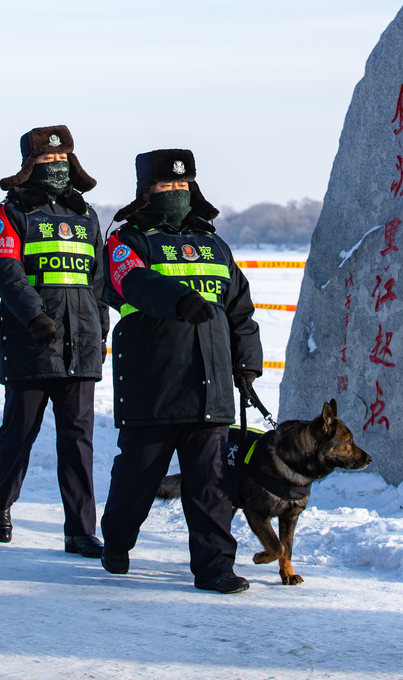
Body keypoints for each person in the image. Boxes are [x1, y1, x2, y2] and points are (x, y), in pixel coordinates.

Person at [100, 148, 263, 594]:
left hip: (211, 386)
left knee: (211, 485)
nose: (175, 192)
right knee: (138, 477)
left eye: (182, 184)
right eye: (165, 185)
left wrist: (246, 363)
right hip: (152, 384)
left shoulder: (214, 245)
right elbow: (130, 281)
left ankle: (215, 568)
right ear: (145, 191)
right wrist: (178, 300)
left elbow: (240, 311)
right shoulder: (126, 241)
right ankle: (116, 539)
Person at [0, 125, 107, 556]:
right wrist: (34, 315)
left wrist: (100, 331)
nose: (56, 168)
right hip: (32, 343)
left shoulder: (85, 214)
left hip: (81, 346)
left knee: (78, 441)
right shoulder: (10, 214)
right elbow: (5, 270)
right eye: (46, 161)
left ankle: (80, 530)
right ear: (28, 166)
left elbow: (98, 282)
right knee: (20, 432)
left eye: (62, 160)